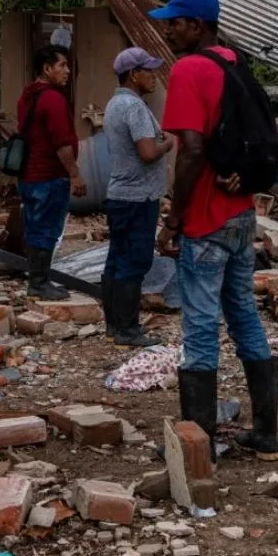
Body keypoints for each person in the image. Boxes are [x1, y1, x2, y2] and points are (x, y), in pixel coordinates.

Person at [150, 0, 278, 462]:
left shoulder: (190, 69)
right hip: (241, 213)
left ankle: (197, 445)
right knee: (243, 314)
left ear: (197, 25)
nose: (168, 30)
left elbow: (191, 150)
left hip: (206, 218)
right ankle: (266, 435)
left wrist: (174, 219)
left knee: (201, 325)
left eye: (175, 22)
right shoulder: (234, 63)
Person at [101, 46, 173, 348]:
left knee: (116, 259)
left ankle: (113, 326)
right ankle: (128, 330)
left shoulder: (114, 104)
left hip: (120, 195)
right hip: (138, 197)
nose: (154, 76)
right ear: (134, 74)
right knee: (135, 262)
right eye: (149, 71)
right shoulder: (134, 107)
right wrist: (167, 144)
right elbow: (147, 152)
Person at [17, 45, 86, 299]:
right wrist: (74, 174)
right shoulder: (53, 99)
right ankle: (39, 283)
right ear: (47, 69)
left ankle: (37, 280)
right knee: (47, 230)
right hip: (48, 176)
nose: (67, 71)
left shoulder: (27, 97)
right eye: (62, 66)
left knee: (35, 228)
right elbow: (62, 144)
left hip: (28, 175)